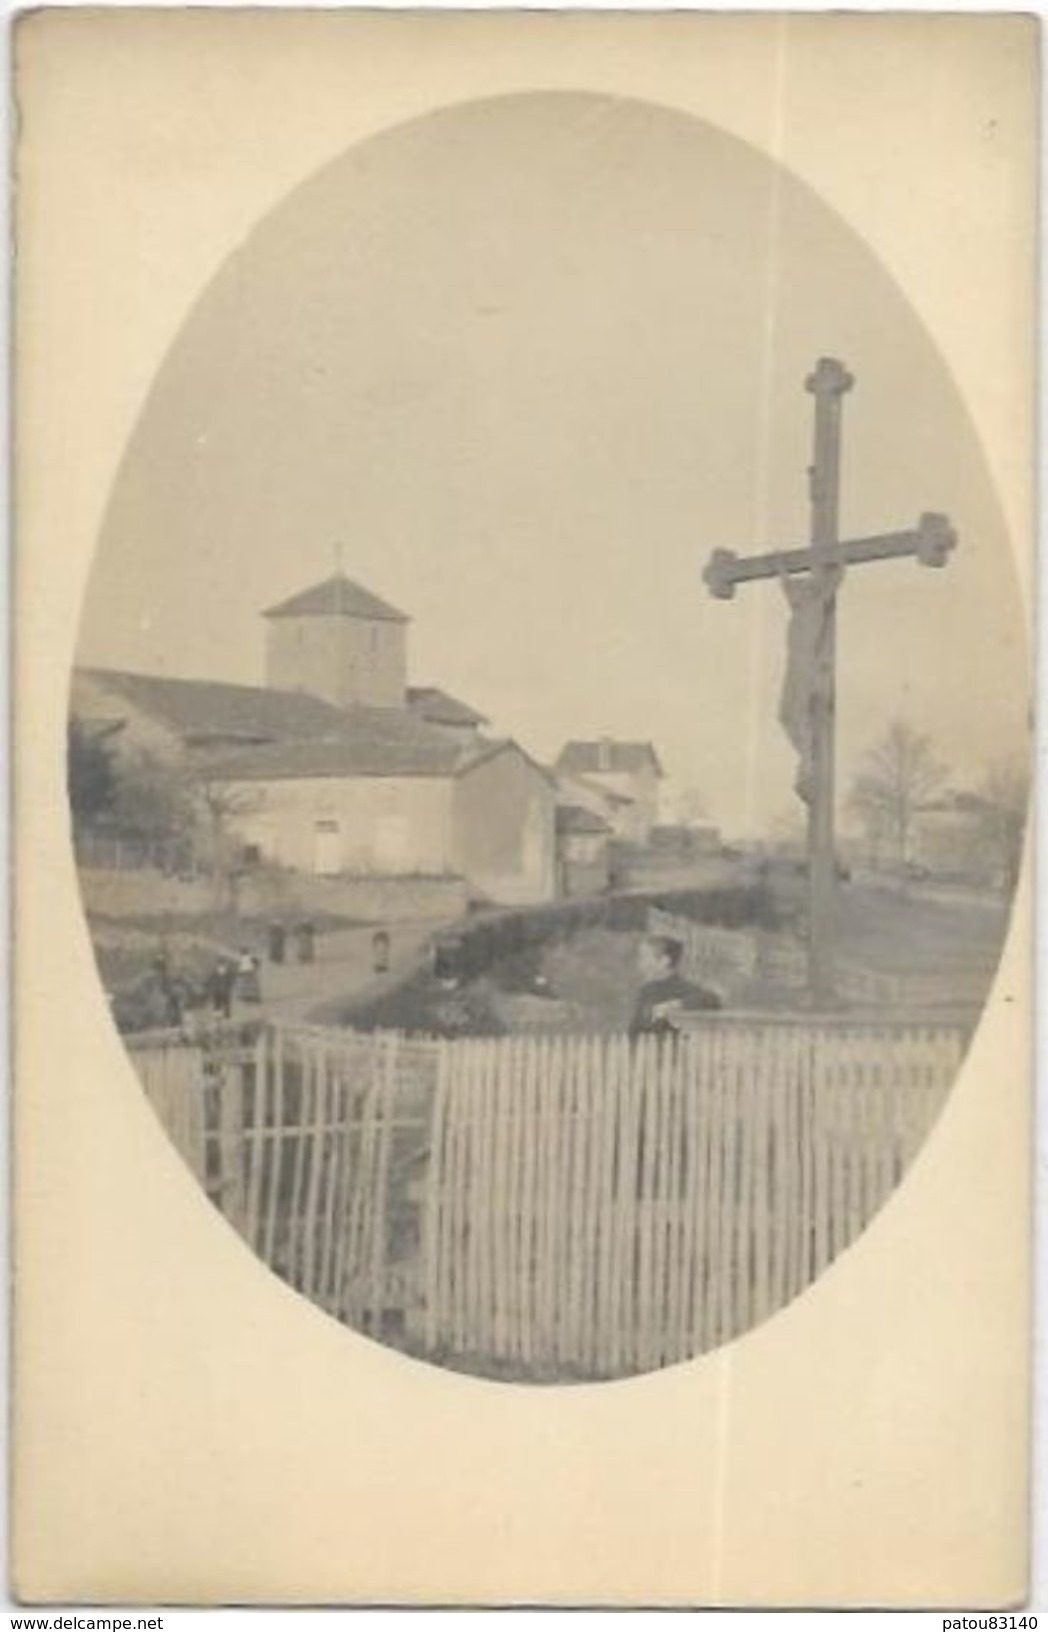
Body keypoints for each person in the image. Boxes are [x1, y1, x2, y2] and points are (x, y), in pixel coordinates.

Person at [628, 934, 721, 1038]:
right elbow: (635, 1029)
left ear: (664, 961)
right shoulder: (645, 991)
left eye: (645, 957)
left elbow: (712, 1000)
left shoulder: (683, 988)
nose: (640, 963)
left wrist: (676, 1005)